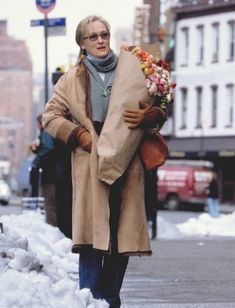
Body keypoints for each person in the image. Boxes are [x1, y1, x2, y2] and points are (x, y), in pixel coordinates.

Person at [42, 15, 167, 307]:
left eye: (104, 34)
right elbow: (50, 116)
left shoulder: (134, 67)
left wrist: (150, 116)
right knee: (91, 238)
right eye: (93, 36)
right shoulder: (71, 79)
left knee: (120, 236)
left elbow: (160, 105)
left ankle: (110, 298)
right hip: (90, 164)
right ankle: (90, 299)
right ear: (82, 44)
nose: (100, 40)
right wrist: (78, 136)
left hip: (128, 161)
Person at [29, 114, 57, 226]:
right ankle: (51, 228)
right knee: (48, 203)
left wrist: (38, 155)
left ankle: (52, 229)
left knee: (49, 203)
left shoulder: (46, 133)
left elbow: (48, 149)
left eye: (38, 123)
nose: (37, 126)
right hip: (50, 174)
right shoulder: (46, 133)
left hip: (50, 175)